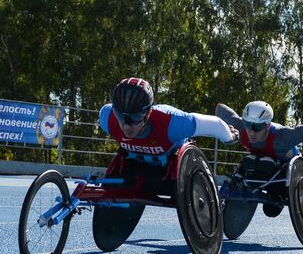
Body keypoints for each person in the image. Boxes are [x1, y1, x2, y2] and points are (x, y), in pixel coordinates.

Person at [99, 77, 238, 192]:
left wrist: (230, 137)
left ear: (148, 113)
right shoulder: (107, 117)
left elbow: (215, 125)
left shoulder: (172, 123)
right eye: (120, 116)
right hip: (133, 165)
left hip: (171, 165)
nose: (125, 125)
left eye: (134, 117)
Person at [216, 101, 303, 217]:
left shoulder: (283, 137)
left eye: (257, 127)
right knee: (249, 162)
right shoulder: (240, 127)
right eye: (248, 124)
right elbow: (220, 108)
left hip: (284, 176)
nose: (251, 132)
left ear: (267, 126)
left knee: (271, 211)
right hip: (258, 167)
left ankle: (277, 195)